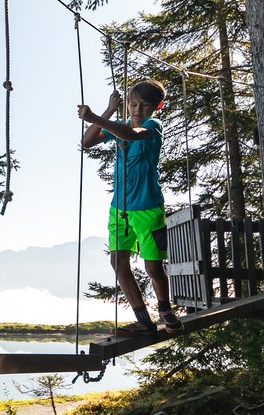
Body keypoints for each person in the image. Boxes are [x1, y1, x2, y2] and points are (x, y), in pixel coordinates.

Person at [77, 80, 184, 337]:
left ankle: (165, 310)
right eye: (133, 104)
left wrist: (94, 117)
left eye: (144, 106)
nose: (137, 111)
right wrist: (106, 112)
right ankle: (142, 319)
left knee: (153, 267)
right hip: (120, 209)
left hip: (148, 208)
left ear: (156, 107)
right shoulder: (119, 125)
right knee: (118, 260)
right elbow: (87, 141)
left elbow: (132, 135)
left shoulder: (152, 127)